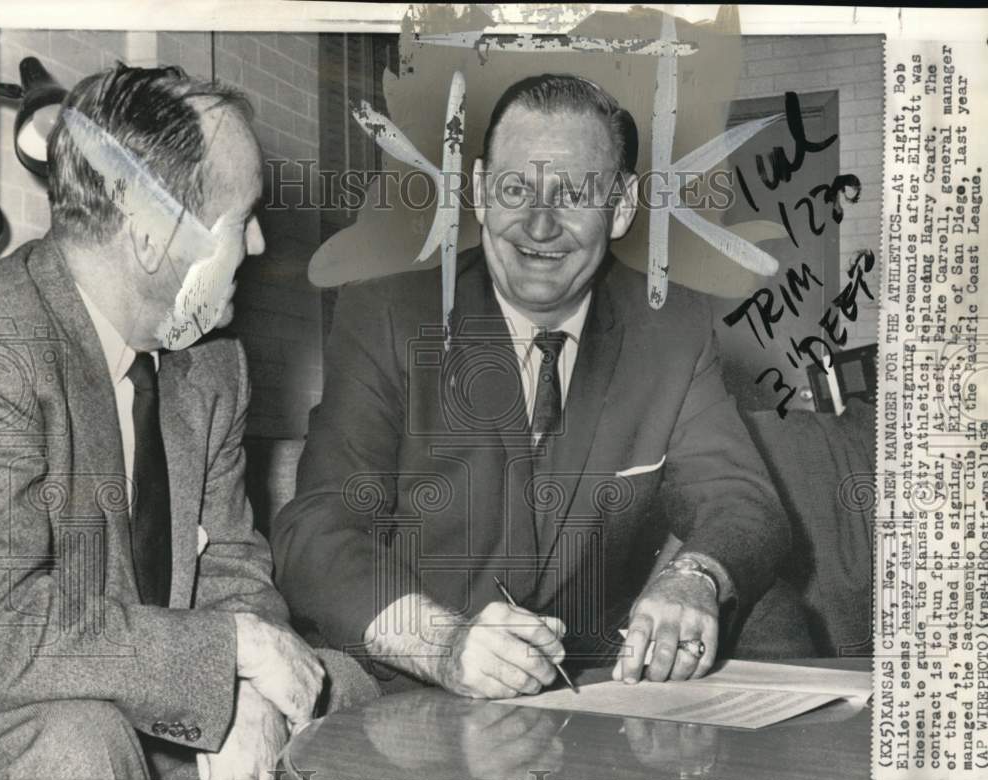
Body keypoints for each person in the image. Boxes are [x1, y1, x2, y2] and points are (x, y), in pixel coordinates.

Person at [273, 74, 807, 700]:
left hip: (594, 681)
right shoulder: (389, 317)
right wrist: (442, 644)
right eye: (514, 188)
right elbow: (314, 530)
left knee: (770, 608)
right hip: (428, 686)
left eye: (574, 193)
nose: (539, 225)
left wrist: (693, 577)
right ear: (476, 191)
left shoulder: (671, 329)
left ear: (623, 207)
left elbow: (739, 496)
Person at [0, 64, 376, 780]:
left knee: (348, 689)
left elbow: (233, 562)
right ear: (150, 240)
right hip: (26, 705)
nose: (258, 246)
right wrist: (229, 651)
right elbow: (1, 623)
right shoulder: (1, 345)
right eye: (241, 222)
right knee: (80, 741)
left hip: (153, 695)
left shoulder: (214, 365)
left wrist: (245, 699)